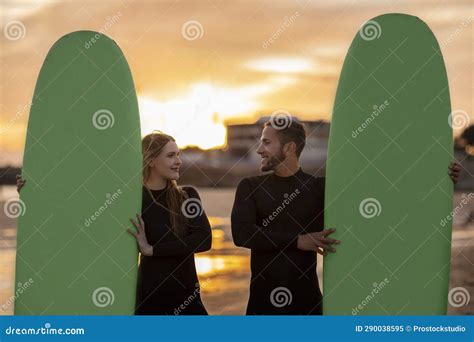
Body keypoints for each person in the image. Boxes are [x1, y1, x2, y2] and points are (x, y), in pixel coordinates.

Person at [230, 118, 461, 315]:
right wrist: (298, 240)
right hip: (262, 306)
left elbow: (384, 198)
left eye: (266, 142)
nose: (259, 149)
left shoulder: (320, 189)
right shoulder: (250, 186)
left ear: (289, 148)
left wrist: (440, 177)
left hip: (308, 304)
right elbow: (242, 234)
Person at [19, 131, 212, 315]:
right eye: (171, 155)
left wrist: (152, 250)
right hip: (150, 300)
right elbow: (77, 214)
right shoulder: (130, 200)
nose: (178, 161)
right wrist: (31, 195)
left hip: (188, 299)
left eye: (178, 155)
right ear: (151, 160)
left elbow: (204, 239)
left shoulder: (187, 196)